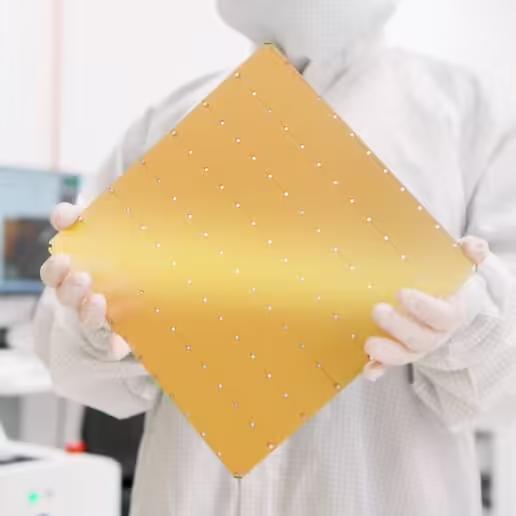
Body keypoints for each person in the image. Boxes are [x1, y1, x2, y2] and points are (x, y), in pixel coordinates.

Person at [34, 1, 516, 514]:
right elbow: (70, 359)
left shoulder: (467, 115)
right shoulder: (171, 122)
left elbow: (503, 386)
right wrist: (97, 322)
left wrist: (467, 326)